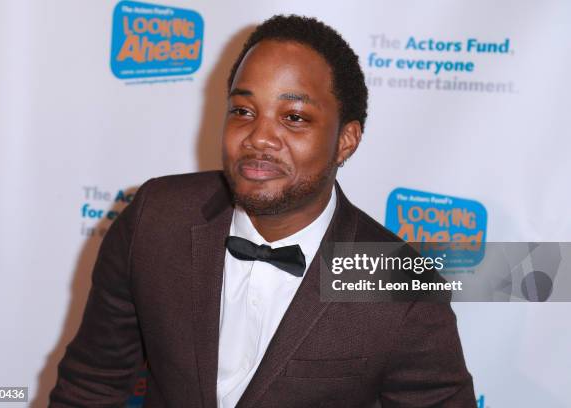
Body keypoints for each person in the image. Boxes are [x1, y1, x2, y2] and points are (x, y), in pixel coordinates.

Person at [50, 15, 476, 407]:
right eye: (243, 111)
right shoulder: (157, 220)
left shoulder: (395, 281)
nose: (259, 137)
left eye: (293, 117)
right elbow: (92, 385)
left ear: (346, 139)